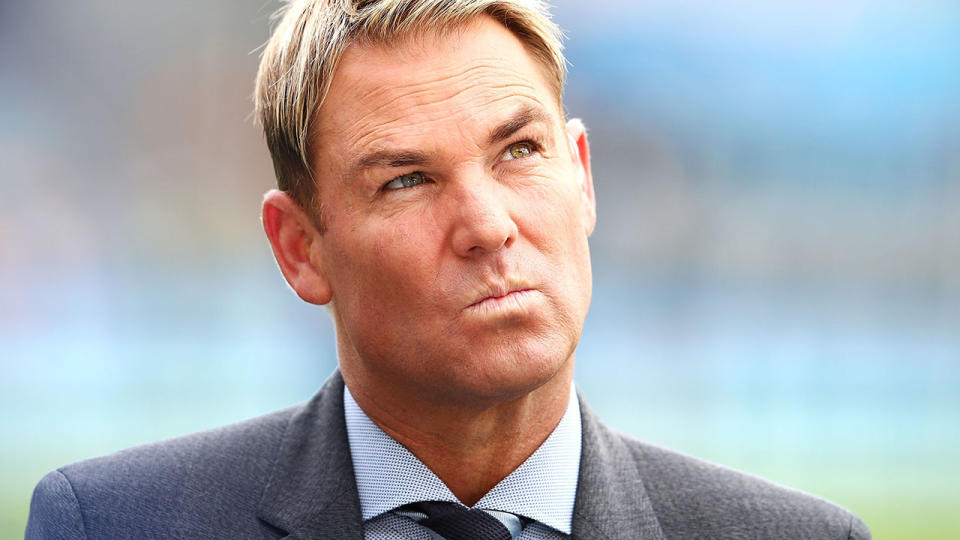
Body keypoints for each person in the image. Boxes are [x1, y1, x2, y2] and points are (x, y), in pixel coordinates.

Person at [26, 1, 871, 538]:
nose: (488, 226)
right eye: (407, 180)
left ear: (582, 175)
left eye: (519, 151)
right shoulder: (113, 522)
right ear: (300, 249)